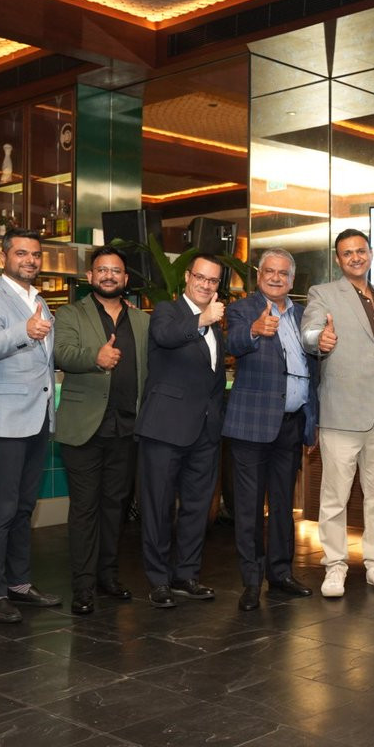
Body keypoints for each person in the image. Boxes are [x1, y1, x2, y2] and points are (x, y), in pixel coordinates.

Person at [53, 245, 149, 615]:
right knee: (85, 509)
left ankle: (108, 576)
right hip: (84, 428)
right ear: (90, 276)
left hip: (127, 429)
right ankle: (83, 586)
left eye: (116, 271)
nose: (109, 276)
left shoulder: (141, 321)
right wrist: (94, 358)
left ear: (125, 278)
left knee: (115, 507)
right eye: (102, 270)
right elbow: (61, 353)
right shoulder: (70, 313)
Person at [223, 248, 318, 612]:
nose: (276, 278)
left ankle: (280, 573)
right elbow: (232, 342)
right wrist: (254, 330)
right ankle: (251, 581)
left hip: (291, 423)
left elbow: (311, 364)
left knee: (282, 505)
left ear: (292, 280)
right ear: (259, 275)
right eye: (270, 271)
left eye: (283, 273)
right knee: (249, 506)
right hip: (251, 422)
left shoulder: (301, 315)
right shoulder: (243, 309)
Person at [300, 228, 374, 598]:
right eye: (347, 253)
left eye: (360, 251)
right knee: (335, 498)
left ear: (370, 253)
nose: (355, 257)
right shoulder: (323, 293)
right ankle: (335, 566)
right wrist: (319, 340)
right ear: (338, 259)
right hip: (341, 414)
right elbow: (310, 331)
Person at [0, 229, 60, 624]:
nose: (30, 260)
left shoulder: (40, 300)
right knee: (3, 510)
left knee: (25, 507)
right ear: (5, 256)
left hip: (39, 416)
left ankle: (19, 584)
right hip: (5, 418)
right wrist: (24, 331)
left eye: (36, 254)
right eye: (22, 253)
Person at [134, 254, 227, 609]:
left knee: (197, 507)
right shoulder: (167, 311)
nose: (206, 284)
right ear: (187, 277)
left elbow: (212, 377)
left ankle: (186, 575)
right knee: (158, 507)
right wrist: (202, 319)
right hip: (165, 428)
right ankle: (158, 580)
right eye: (200, 277)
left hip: (205, 431)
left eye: (213, 280)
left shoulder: (216, 324)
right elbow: (166, 336)